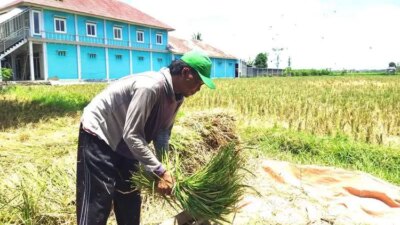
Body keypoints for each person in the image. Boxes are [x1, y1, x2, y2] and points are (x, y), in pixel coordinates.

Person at [76, 50, 215, 225]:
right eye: (198, 83)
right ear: (186, 72)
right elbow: (132, 134)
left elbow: (163, 132)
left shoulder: (177, 97)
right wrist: (160, 171)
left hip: (127, 142)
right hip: (100, 133)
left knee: (130, 198)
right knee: (98, 200)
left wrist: (164, 166)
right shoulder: (150, 87)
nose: (198, 89)